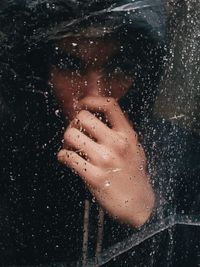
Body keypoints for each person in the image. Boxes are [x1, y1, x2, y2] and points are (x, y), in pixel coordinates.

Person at [0, 0, 199, 266]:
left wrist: (147, 215)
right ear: (40, 73)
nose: (95, 96)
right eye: (70, 66)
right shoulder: (12, 161)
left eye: (119, 67)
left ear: (142, 74)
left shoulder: (184, 160)